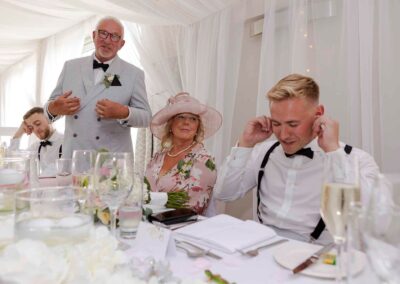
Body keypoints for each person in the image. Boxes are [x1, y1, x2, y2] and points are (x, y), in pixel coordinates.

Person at [214, 74, 380, 244]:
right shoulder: (263, 152)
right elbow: (224, 194)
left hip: (317, 257)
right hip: (261, 249)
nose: (284, 135)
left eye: (293, 124)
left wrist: (333, 151)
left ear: (318, 114)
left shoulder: (356, 159)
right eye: (277, 124)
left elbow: (371, 216)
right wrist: (245, 144)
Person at [44, 16, 151, 157]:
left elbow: (146, 118)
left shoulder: (133, 74)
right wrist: (52, 109)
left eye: (114, 36)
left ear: (121, 44)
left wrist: (123, 112)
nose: (107, 40)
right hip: (74, 157)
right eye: (103, 33)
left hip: (110, 160)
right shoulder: (70, 67)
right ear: (94, 35)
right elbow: (48, 111)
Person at [145, 92, 222, 215]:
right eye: (181, 117)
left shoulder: (204, 160)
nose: (187, 122)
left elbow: (195, 206)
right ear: (171, 124)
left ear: (197, 127)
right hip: (150, 223)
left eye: (193, 119)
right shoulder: (158, 157)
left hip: (183, 227)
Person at [10, 107, 63, 176]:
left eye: (38, 124)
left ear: (49, 120)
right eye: (31, 127)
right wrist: (20, 132)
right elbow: (13, 161)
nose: (35, 129)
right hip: (42, 186)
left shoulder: (66, 142)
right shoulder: (36, 147)